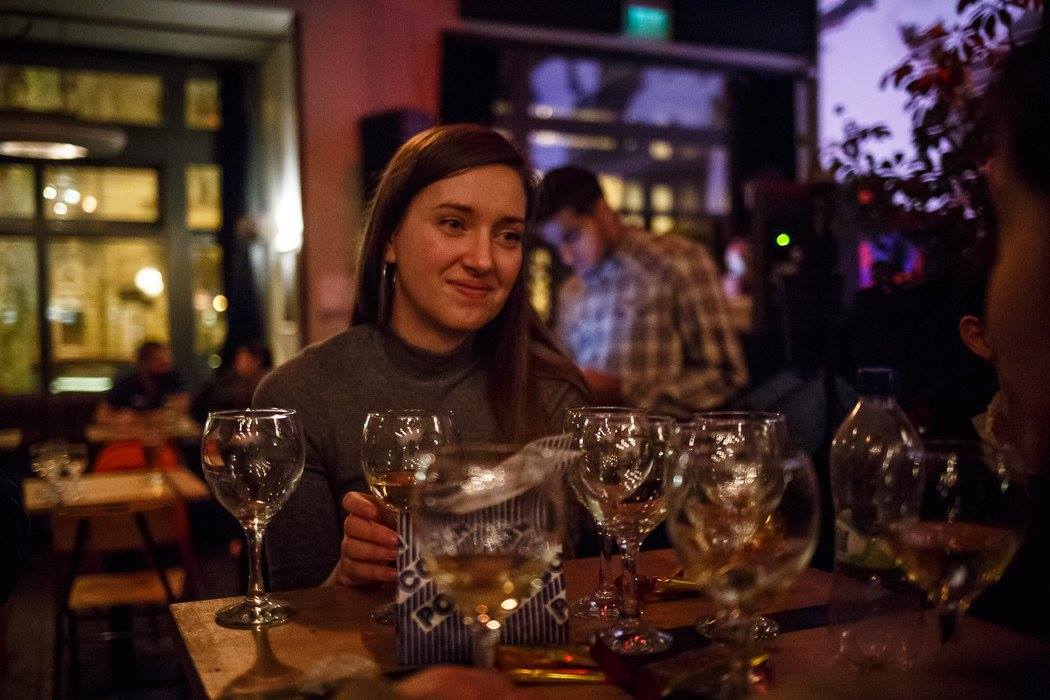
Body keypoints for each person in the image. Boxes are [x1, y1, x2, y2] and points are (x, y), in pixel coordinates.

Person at [254, 124, 588, 591]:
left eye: (508, 235)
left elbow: (581, 588)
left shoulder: (554, 392)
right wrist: (345, 577)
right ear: (390, 239)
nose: (483, 260)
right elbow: (292, 613)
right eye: (454, 224)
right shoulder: (301, 395)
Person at [534, 166, 747, 416]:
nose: (566, 257)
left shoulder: (680, 261)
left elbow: (726, 376)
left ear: (602, 210)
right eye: (557, 245)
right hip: (584, 438)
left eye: (571, 236)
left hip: (663, 438)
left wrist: (625, 391)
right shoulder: (572, 290)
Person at [95, 341, 189, 424]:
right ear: (144, 363)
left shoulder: (172, 379)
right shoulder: (126, 384)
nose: (166, 367)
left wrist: (138, 417)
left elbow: (180, 410)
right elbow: (101, 414)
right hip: (130, 435)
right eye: (160, 361)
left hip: (165, 436)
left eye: (167, 362)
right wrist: (117, 418)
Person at [192, 342, 273, 423]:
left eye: (243, 357)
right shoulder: (229, 379)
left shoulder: (264, 383)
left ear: (257, 360)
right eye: (238, 357)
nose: (237, 361)